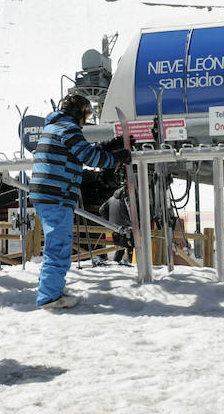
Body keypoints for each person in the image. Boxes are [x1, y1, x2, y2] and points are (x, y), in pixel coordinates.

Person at [29, 94, 130, 309]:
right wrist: (117, 158)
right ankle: (49, 297)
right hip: (56, 195)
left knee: (56, 243)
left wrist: (108, 147)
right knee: (59, 245)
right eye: (86, 114)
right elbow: (89, 157)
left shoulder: (54, 127)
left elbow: (77, 153)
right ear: (77, 112)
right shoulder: (68, 129)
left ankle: (51, 288)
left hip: (46, 194)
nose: (86, 120)